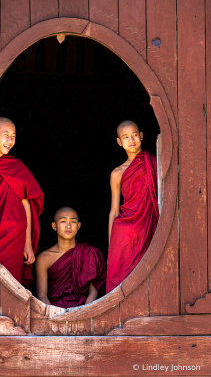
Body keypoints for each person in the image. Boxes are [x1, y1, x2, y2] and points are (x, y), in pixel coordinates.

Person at [0, 117, 44, 287]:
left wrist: (27, 243)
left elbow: (26, 203)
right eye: (6, 134)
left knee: (9, 285)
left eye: (13, 136)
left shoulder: (15, 166)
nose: (10, 140)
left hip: (13, 237)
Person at [106, 120, 159, 293]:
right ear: (119, 142)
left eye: (135, 135)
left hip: (150, 224)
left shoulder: (155, 163)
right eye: (126, 137)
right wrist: (110, 246)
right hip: (125, 231)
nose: (131, 140)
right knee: (121, 277)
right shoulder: (117, 173)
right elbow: (114, 210)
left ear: (141, 136)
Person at [35, 207, 106, 308]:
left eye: (73, 222)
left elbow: (93, 294)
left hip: (84, 310)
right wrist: (54, 316)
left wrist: (84, 314)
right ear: (54, 226)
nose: (68, 226)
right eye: (63, 221)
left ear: (78, 226)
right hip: (53, 312)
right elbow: (41, 296)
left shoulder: (90, 254)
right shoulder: (44, 258)